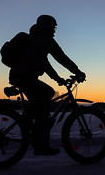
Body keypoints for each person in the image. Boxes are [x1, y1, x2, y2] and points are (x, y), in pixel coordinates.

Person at [9, 15, 86, 156]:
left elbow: (45, 64)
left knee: (42, 99)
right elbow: (61, 57)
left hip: (18, 75)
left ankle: (26, 123)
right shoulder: (45, 40)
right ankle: (40, 145)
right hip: (25, 77)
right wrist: (77, 72)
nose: (54, 30)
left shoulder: (35, 39)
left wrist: (58, 79)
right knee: (45, 98)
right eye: (53, 27)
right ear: (47, 27)